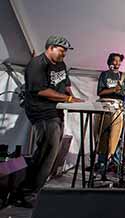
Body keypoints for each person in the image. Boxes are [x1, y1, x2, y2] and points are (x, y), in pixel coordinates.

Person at [22, 35, 82, 194]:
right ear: (51, 48)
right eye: (62, 51)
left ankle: (35, 188)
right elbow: (42, 90)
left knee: (51, 151)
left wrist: (73, 97)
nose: (64, 54)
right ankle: (27, 192)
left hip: (56, 111)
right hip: (41, 112)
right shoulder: (37, 64)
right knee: (47, 150)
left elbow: (66, 84)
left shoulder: (61, 64)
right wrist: (68, 99)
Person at [95, 53, 125, 168]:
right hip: (105, 107)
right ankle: (101, 162)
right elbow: (100, 92)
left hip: (118, 107)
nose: (117, 63)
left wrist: (124, 91)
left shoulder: (124, 76)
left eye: (119, 61)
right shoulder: (104, 75)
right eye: (115, 61)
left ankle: (115, 162)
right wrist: (114, 89)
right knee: (103, 134)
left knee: (117, 136)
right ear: (110, 62)